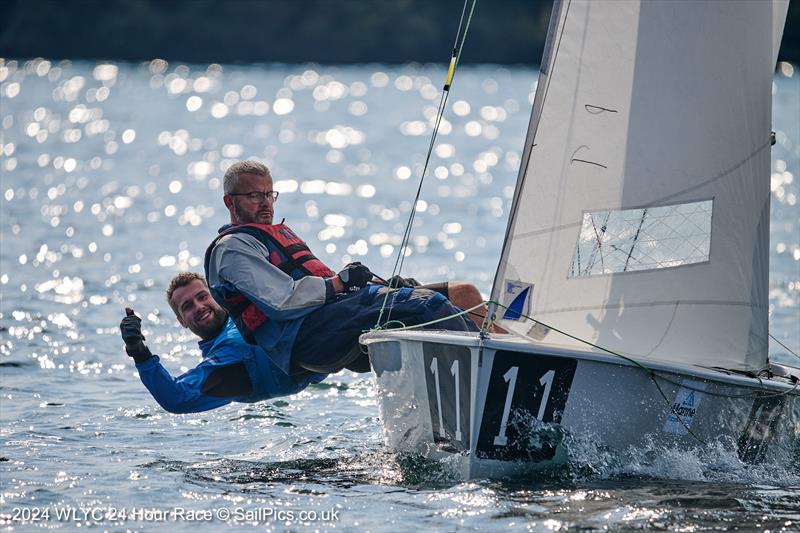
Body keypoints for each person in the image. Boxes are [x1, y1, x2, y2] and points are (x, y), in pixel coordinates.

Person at [204, 160, 482, 376]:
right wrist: (340, 283)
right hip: (305, 338)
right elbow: (283, 300)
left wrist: (373, 286)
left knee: (455, 298)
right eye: (254, 195)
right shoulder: (232, 248)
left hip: (330, 322)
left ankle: (490, 365)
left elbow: (319, 287)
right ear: (230, 201)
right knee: (428, 306)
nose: (265, 203)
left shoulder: (265, 235)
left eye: (269, 194)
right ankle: (483, 384)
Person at [119, 272, 326, 414]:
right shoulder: (223, 364)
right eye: (188, 306)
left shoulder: (251, 306)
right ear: (181, 321)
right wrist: (138, 352)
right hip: (308, 356)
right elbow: (175, 398)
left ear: (216, 296)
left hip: (326, 327)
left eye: (202, 297)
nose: (199, 306)